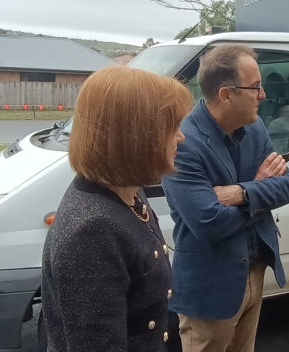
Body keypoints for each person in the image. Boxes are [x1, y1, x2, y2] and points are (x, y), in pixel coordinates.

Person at [40, 65, 192, 352]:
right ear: (135, 137)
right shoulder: (93, 230)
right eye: (172, 127)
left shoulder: (127, 191)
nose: (181, 137)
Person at [161, 45, 289, 352]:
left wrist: (243, 192)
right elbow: (207, 222)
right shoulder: (183, 142)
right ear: (226, 94)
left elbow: (287, 185)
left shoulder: (255, 125)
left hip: (255, 271)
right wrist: (260, 194)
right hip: (211, 286)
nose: (263, 94)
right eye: (255, 87)